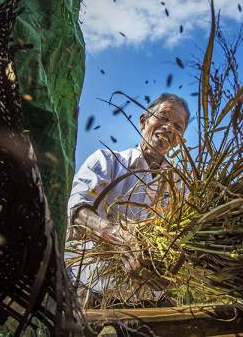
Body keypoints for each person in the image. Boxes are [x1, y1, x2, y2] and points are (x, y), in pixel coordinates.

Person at [66, 93, 190, 308]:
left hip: (151, 299)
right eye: (163, 117)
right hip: (95, 290)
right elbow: (76, 207)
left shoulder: (180, 186)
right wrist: (110, 234)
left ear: (180, 139)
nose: (169, 127)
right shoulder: (108, 161)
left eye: (178, 126)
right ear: (143, 121)